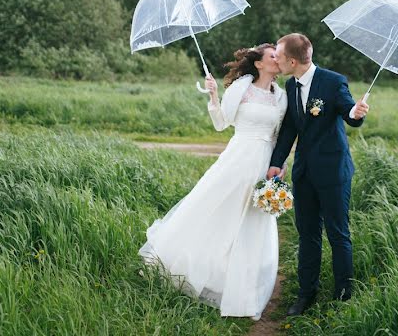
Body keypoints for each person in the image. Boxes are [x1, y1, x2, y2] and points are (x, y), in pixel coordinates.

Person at [138, 43, 287, 320]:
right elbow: (221, 124)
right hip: (238, 159)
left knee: (253, 221)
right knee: (220, 212)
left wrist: (281, 165)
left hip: (264, 163)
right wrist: (214, 95)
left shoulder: (281, 95)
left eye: (278, 56)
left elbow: (279, 135)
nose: (278, 60)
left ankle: (243, 288)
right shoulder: (242, 88)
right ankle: (195, 271)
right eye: (272, 56)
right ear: (258, 63)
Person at [266, 33, 369, 316]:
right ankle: (306, 295)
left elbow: (348, 112)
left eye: (278, 54)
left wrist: (357, 112)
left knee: (338, 234)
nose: (275, 58)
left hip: (334, 172)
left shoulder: (333, 81)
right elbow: (290, 128)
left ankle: (343, 298)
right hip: (304, 174)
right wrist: (277, 162)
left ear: (292, 60)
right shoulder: (290, 84)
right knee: (308, 235)